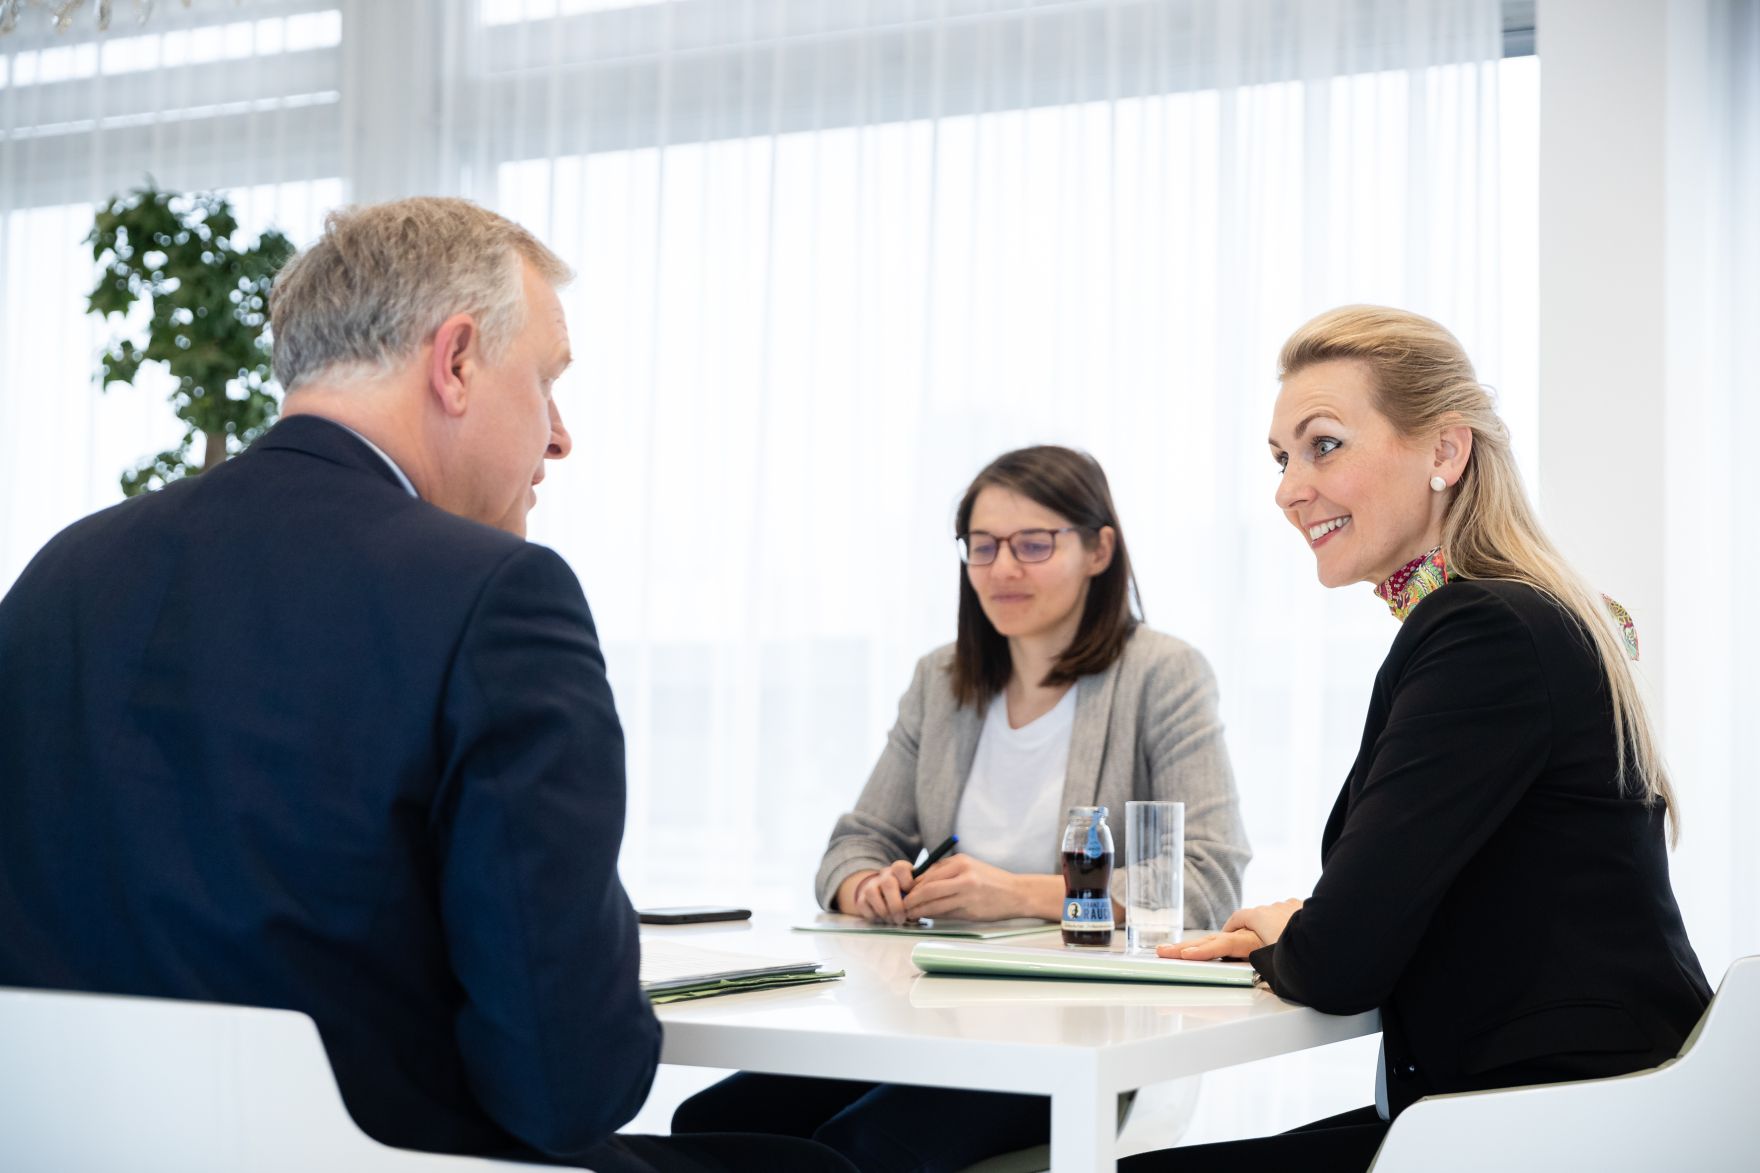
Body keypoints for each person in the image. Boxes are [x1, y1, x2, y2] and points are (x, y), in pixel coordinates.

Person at [0, 198, 851, 1173]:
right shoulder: (491, 595)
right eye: (544, 381)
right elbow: (567, 1080)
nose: (560, 435)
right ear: (454, 362)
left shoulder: (58, 573)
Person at [1120, 306, 1712, 1172]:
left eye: (1324, 445)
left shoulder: (1485, 630)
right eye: (1282, 458)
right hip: (1571, 1107)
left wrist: (1303, 934)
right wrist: (1314, 928)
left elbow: (1341, 961)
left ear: (1445, 451)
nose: (1289, 488)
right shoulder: (1521, 613)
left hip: (1558, 1127)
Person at [673, 444, 1252, 1172]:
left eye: (1034, 544)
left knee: (858, 1148)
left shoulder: (1161, 673)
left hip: (1074, 1031)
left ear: (1100, 549)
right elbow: (857, 840)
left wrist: (1014, 894)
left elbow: (1204, 878)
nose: (1003, 568)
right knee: (712, 1118)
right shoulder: (941, 681)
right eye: (983, 547)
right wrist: (867, 884)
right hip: (931, 1012)